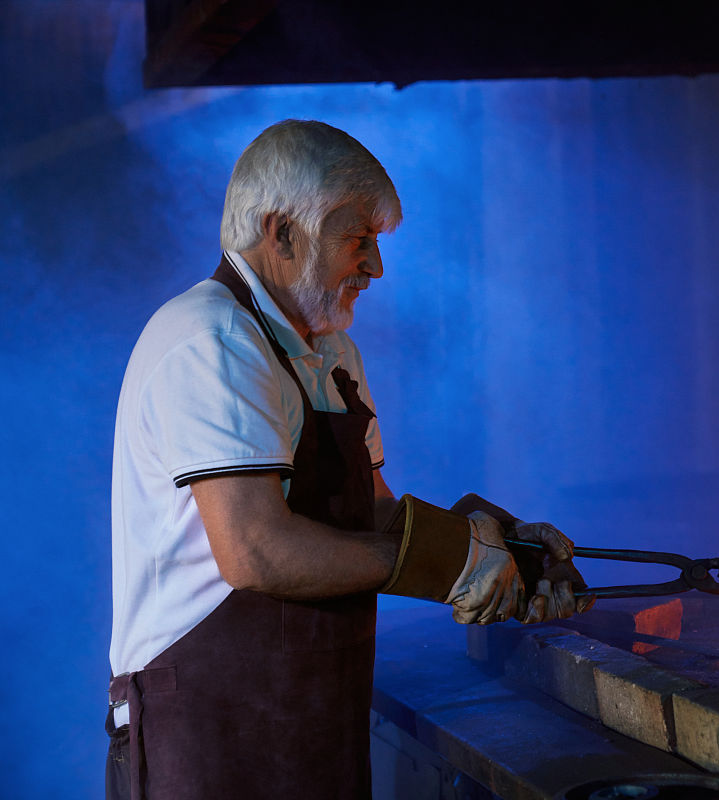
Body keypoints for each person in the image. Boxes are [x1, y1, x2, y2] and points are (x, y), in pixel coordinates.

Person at [106, 119, 591, 800]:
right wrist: (451, 563)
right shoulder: (211, 340)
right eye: (357, 241)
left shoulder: (331, 352)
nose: (375, 267)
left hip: (310, 717)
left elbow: (374, 514)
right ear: (281, 234)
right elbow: (256, 552)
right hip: (207, 729)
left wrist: (497, 544)